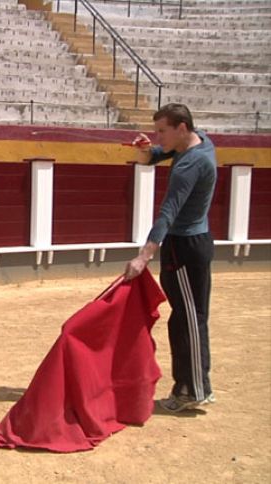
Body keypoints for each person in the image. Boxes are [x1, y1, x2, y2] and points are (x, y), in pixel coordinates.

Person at [124, 103, 217, 413]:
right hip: (195, 241)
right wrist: (146, 150)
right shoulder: (199, 140)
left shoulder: (191, 164)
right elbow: (154, 158)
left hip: (184, 247)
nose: (157, 136)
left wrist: (144, 256)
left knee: (188, 319)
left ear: (181, 128)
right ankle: (193, 386)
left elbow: (168, 212)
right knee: (189, 316)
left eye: (162, 130)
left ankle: (192, 389)